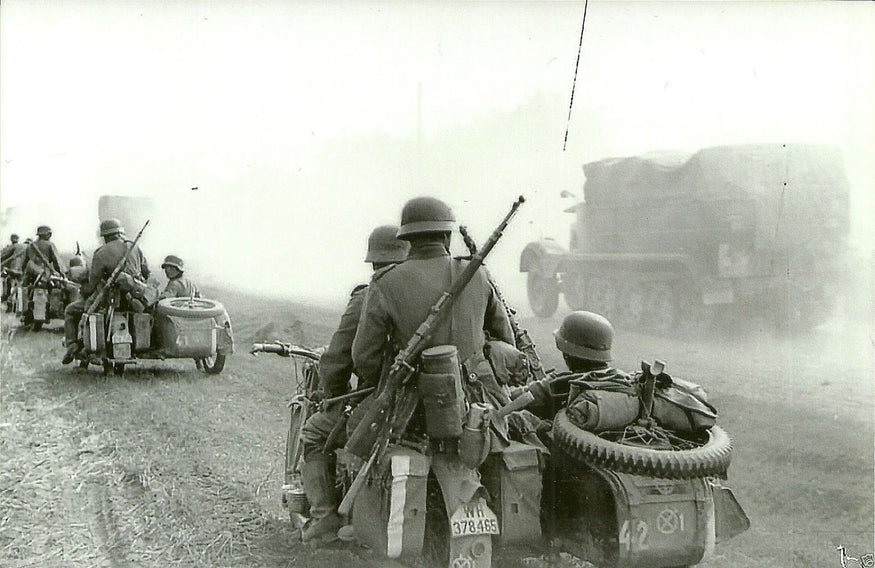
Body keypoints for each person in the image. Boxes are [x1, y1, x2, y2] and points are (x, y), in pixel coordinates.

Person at [299, 225, 409, 543]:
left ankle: (323, 518)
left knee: (316, 432)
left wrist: (332, 396)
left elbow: (337, 359)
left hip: (386, 408)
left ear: (374, 262)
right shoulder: (433, 291)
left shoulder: (368, 296)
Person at [62, 218, 150, 364]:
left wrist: (84, 289)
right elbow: (146, 272)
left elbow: (92, 284)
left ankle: (72, 346)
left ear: (104, 236)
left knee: (71, 310)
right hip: (136, 299)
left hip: (109, 301)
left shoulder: (101, 253)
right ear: (120, 233)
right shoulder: (134, 247)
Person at [1, 234, 27, 301]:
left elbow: (4, 255)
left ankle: (6, 297)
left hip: (13, 269)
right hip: (22, 270)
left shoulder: (14, 246)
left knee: (8, 280)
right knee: (21, 284)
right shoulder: (26, 247)